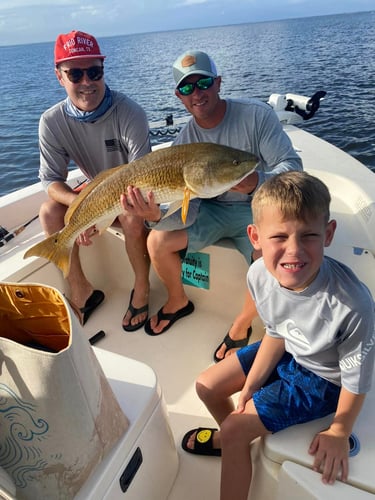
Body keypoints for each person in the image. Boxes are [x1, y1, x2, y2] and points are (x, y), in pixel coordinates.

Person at [181, 171, 375, 500]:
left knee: (233, 428)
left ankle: (234, 437)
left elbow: (356, 379)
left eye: (309, 235)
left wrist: (339, 430)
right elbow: (275, 331)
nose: (294, 251)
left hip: (324, 378)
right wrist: (253, 385)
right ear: (255, 236)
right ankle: (237, 440)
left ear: (328, 234)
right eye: (279, 237)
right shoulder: (259, 274)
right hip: (289, 348)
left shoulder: (352, 304)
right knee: (206, 386)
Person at [123, 50, 302, 346]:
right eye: (186, 87)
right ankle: (178, 301)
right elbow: (185, 205)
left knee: (267, 261)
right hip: (210, 210)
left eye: (204, 83)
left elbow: (292, 167)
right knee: (156, 240)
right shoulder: (185, 143)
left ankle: (242, 325)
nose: (197, 93)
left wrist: (257, 182)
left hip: (259, 208)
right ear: (178, 96)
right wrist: (155, 217)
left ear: (218, 83)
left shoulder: (256, 115)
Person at [38, 30, 151, 330]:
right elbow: (51, 180)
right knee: (49, 211)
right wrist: (81, 208)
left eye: (94, 71)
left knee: (130, 216)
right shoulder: (51, 121)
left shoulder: (130, 113)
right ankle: (81, 290)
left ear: (102, 71)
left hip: (132, 194)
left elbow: (143, 175)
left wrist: (96, 210)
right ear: (59, 77)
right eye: (75, 73)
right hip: (95, 193)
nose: (87, 82)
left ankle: (142, 288)